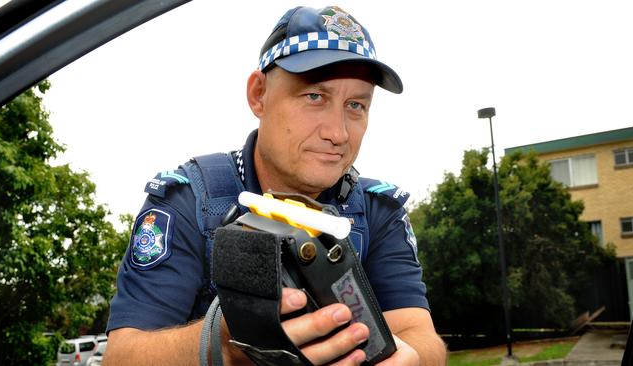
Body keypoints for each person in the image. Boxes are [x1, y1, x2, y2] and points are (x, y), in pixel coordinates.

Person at [104, 5, 446, 365]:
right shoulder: (191, 201)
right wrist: (229, 342)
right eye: (315, 96)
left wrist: (411, 358)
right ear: (258, 94)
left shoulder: (378, 212)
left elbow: (422, 337)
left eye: (356, 105)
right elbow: (123, 357)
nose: (338, 133)